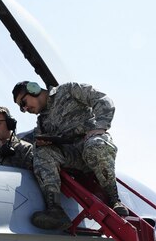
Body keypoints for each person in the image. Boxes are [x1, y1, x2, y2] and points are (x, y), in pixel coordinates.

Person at [12, 80, 128, 230]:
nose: (25, 108)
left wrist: (101, 126)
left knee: (95, 146)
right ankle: (55, 211)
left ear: (33, 89)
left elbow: (102, 99)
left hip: (90, 143)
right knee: (42, 152)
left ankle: (114, 200)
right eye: (21, 108)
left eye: (23, 102)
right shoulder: (42, 122)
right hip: (73, 157)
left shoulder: (69, 90)